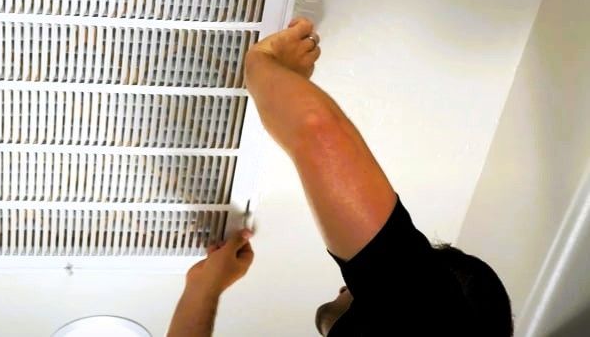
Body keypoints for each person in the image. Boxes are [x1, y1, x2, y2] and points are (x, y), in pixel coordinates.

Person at [167, 17, 513, 336]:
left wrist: (204, 287)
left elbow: (317, 132)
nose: (346, 287)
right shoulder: (437, 317)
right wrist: (265, 64)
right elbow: (319, 133)